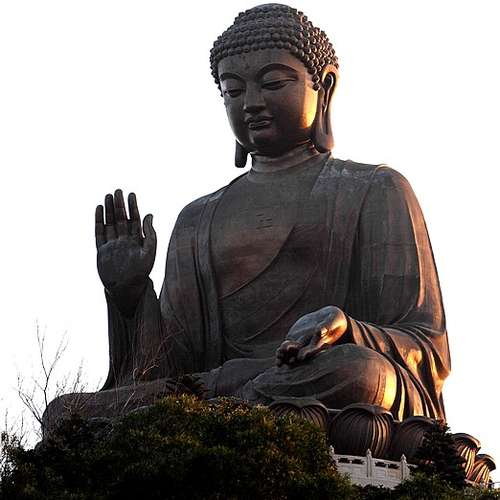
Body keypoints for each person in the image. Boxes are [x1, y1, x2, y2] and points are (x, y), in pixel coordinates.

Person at [92, 4, 449, 422]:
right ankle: (231, 414)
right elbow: (170, 370)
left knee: (360, 372)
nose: (252, 103)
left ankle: (226, 416)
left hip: (318, 379)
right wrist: (130, 295)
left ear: (325, 86)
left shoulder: (375, 189)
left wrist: (345, 328)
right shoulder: (196, 219)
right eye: (233, 91)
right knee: (64, 413)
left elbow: (424, 346)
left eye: (273, 83)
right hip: (219, 390)